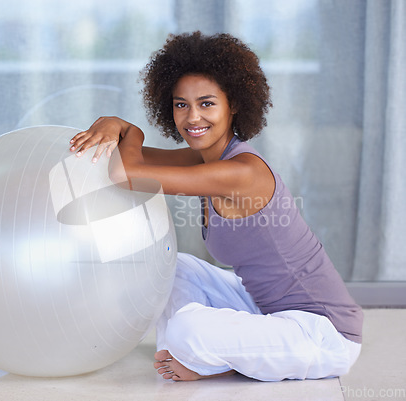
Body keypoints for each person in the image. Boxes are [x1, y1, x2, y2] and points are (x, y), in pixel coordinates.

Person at [69, 31, 363, 382]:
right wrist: (112, 126)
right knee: (173, 267)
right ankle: (189, 352)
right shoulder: (204, 161)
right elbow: (129, 161)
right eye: (181, 104)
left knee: (187, 328)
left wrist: (129, 129)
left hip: (324, 334)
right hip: (265, 308)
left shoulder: (240, 172)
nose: (193, 117)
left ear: (233, 104)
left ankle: (197, 356)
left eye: (207, 103)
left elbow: (126, 173)